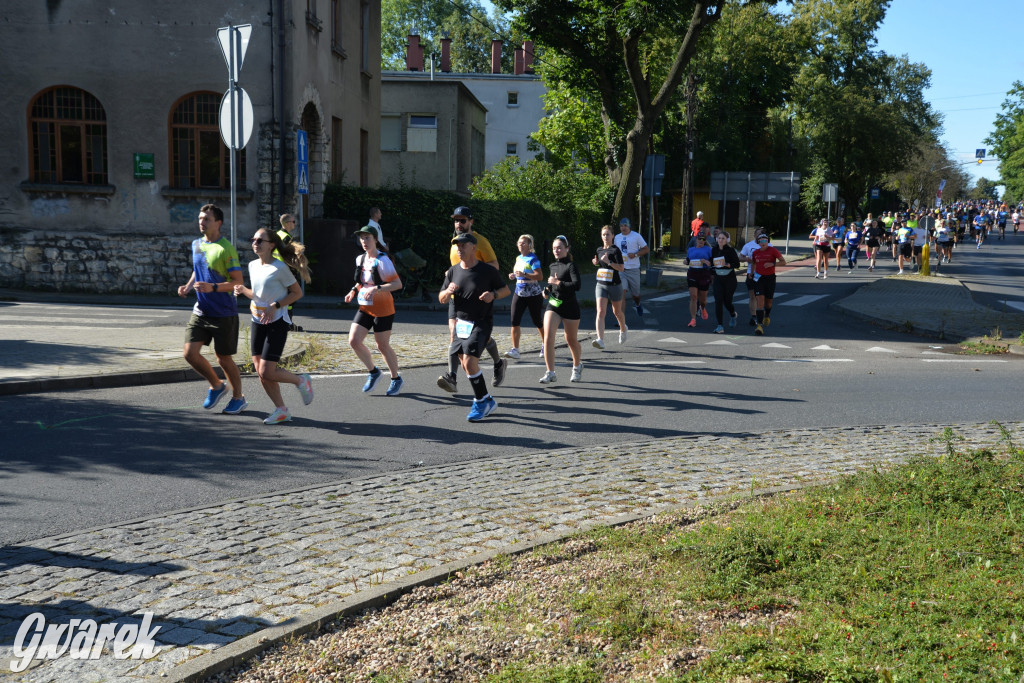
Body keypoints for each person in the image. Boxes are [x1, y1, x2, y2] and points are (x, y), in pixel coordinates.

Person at [233, 228, 314, 424]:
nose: (255, 243)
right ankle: (281, 410)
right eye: (254, 239)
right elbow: (259, 294)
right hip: (257, 321)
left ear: (272, 245)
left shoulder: (280, 268)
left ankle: (301, 380)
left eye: (260, 240)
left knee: (267, 371)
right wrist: (244, 290)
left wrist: (276, 305)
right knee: (260, 371)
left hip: (277, 321)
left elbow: (297, 293)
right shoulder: (253, 265)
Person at [177, 204, 248, 415]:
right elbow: (199, 269)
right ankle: (217, 385)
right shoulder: (196, 244)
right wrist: (189, 286)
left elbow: (238, 281)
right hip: (201, 310)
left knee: (223, 358)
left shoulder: (226, 248)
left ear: (218, 223)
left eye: (206, 219)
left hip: (224, 312)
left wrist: (213, 287)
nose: (202, 222)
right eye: (200, 218)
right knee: (189, 354)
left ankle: (238, 397)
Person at [439, 232, 510, 421]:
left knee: (470, 363)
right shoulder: (453, 271)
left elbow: (506, 290)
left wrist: (492, 295)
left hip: (481, 322)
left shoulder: (487, 271)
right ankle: (487, 399)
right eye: (457, 246)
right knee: (465, 365)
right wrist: (448, 291)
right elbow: (441, 298)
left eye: (463, 245)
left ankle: (480, 402)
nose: (459, 249)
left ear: (473, 248)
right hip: (461, 323)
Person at [437, 206, 506, 394]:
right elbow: (457, 266)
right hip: (456, 296)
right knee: (455, 334)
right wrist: (452, 274)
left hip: (477, 296)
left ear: (471, 222)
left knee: (477, 336)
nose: (459, 223)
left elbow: (494, 265)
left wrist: (472, 272)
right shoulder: (455, 242)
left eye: (463, 220)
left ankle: (498, 363)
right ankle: (452, 376)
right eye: (456, 220)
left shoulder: (480, 242)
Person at [343, 225, 405, 396]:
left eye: (367, 238)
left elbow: (397, 285)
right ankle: (374, 372)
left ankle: (396, 379)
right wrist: (353, 291)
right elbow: (361, 282)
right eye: (362, 238)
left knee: (382, 345)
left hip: (383, 308)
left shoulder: (383, 261)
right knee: (354, 341)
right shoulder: (360, 259)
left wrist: (377, 288)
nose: (364, 241)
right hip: (365, 307)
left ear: (376, 240)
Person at [540, 235, 583, 383]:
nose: (556, 250)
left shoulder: (571, 266)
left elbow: (577, 285)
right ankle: (550, 372)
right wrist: (546, 291)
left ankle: (577, 367)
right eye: (554, 248)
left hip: (570, 306)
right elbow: (552, 285)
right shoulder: (552, 266)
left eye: (559, 247)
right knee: (548, 337)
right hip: (554, 304)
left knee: (571, 340)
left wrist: (558, 282)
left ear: (567, 249)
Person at [506, 234, 545, 359]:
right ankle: (515, 349)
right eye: (519, 243)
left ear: (530, 246)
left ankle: (546, 344)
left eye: (524, 243)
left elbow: (539, 276)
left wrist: (525, 274)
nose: (521, 245)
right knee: (514, 321)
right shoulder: (518, 258)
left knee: (537, 321)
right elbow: (519, 274)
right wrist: (513, 275)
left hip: (533, 293)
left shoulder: (533, 259)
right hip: (519, 292)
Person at [591, 225, 627, 348]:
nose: (605, 237)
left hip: (615, 285)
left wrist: (609, 262)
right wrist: (596, 263)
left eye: (607, 234)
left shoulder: (615, 250)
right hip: (601, 284)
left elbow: (621, 268)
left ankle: (623, 329)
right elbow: (601, 266)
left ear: (612, 236)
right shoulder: (599, 250)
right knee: (600, 311)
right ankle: (600, 339)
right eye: (603, 234)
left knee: (617, 312)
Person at [749, 233, 786, 336]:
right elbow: (754, 263)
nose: (763, 243)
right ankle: (759, 326)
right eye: (761, 241)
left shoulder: (773, 250)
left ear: (768, 242)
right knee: (760, 301)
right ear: (758, 242)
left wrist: (772, 264)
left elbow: (783, 262)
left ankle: (767, 315)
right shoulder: (755, 252)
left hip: (770, 278)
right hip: (759, 279)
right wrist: (751, 273)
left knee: (768, 302)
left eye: (765, 241)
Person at [616, 217, 649, 317]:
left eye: (625, 225)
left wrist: (635, 254)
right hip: (621, 269)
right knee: (622, 292)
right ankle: (621, 319)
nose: (623, 228)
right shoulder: (617, 237)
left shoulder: (636, 236)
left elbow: (646, 249)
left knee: (636, 295)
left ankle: (638, 304)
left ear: (629, 226)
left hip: (634, 269)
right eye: (621, 226)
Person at [275, 213, 302, 331]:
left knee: (283, 297)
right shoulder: (286, 237)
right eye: (293, 221)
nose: (295, 224)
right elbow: (289, 256)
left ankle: (285, 322)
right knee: (291, 298)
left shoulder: (277, 234)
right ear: (286, 223)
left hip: (276, 269)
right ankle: (288, 323)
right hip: (285, 270)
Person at [710, 231, 741, 334]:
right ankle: (720, 326)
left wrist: (728, 264)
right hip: (718, 278)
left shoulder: (731, 250)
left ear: (727, 240)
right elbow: (712, 263)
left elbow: (737, 264)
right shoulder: (714, 250)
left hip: (729, 279)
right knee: (718, 301)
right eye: (719, 238)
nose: (721, 240)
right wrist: (708, 264)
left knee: (727, 301)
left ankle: (732, 314)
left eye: (723, 238)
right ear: (716, 239)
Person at [685, 232, 713, 327]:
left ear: (705, 241)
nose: (701, 241)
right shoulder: (691, 249)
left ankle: (702, 307)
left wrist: (707, 262)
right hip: (692, 273)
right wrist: (685, 261)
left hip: (704, 274)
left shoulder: (708, 249)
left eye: (703, 239)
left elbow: (712, 262)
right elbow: (688, 260)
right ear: (696, 239)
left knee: (703, 299)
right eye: (699, 239)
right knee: (693, 297)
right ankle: (693, 319)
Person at [740, 227, 767, 325]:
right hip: (751, 273)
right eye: (758, 234)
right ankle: (753, 317)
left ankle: (762, 316)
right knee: (752, 296)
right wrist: (747, 259)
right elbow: (740, 257)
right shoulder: (748, 245)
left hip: (764, 274)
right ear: (755, 235)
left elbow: (773, 258)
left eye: (761, 234)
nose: (759, 236)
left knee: (761, 297)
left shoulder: (769, 245)